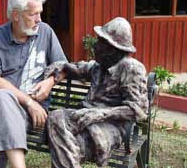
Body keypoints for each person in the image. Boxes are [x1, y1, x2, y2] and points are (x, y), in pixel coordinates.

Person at [0, 0, 67, 168]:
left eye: (40, 13)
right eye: (33, 14)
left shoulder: (45, 32)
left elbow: (63, 67)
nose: (39, 19)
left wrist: (50, 82)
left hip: (28, 114)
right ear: (16, 15)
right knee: (2, 96)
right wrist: (30, 102)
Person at [44, 17, 149, 167]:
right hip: (83, 119)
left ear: (114, 49)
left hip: (108, 127)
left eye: (101, 42)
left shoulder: (131, 68)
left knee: (63, 143)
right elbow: (77, 67)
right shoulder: (99, 66)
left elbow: (139, 110)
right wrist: (60, 66)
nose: (95, 46)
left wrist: (101, 113)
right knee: (55, 118)